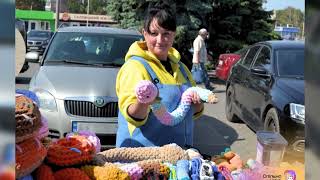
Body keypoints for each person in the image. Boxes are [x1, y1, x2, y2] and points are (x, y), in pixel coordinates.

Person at [115, 2, 204, 148]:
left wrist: (198, 102)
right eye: (154, 33)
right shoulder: (135, 67)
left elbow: (193, 113)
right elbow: (133, 116)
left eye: (166, 34)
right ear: (144, 33)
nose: (160, 40)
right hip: (143, 160)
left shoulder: (181, 68)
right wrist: (144, 100)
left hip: (178, 156)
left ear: (174, 35)